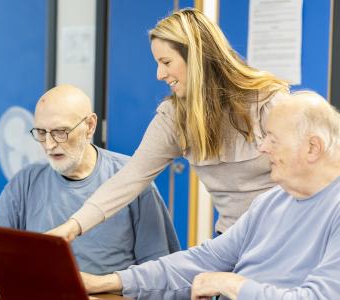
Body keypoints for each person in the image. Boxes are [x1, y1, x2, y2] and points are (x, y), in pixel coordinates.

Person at [47, 8, 289, 240]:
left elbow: (310, 175)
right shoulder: (175, 116)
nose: (159, 75)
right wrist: (73, 226)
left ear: (196, 57)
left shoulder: (265, 102)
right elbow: (131, 177)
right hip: (232, 239)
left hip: (285, 235)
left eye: (166, 62)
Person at [80, 91, 340, 299]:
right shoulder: (271, 202)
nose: (262, 148)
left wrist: (233, 285)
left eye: (272, 139)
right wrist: (107, 282)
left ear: (312, 148)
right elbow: (204, 259)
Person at [0, 84, 180, 275]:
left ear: (90, 126)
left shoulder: (130, 180)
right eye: (42, 133)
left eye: (61, 132)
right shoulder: (26, 182)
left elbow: (159, 272)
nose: (49, 145)